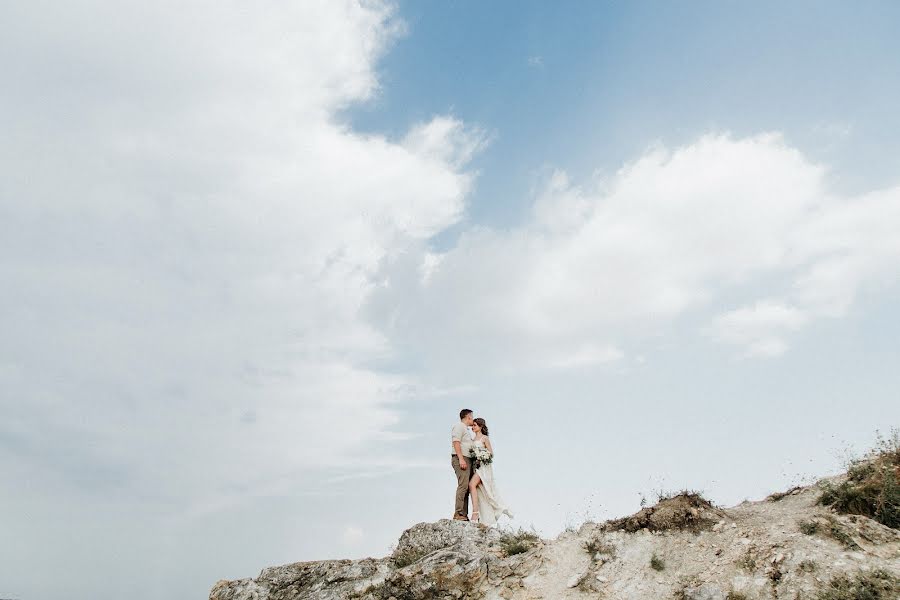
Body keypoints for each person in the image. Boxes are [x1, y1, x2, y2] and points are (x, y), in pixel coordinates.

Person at [468, 417, 513, 526]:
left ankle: (475, 513)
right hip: (476, 467)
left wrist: (481, 455)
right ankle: (483, 515)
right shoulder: (472, 440)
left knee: (471, 485)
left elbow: (491, 453)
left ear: (480, 426)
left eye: (475, 425)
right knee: (481, 491)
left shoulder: (484, 438)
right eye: (472, 425)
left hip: (484, 467)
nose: (473, 427)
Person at [450, 409, 476, 521]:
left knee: (467, 487)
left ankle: (463, 514)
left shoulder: (466, 430)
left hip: (468, 460)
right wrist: (461, 459)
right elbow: (456, 442)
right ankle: (458, 513)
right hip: (461, 458)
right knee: (463, 486)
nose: (473, 419)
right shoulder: (459, 426)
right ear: (468, 416)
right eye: (472, 417)